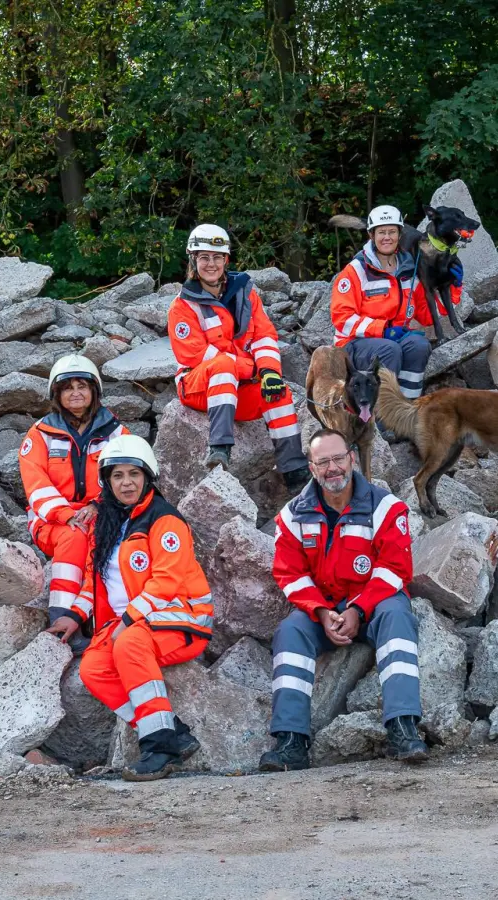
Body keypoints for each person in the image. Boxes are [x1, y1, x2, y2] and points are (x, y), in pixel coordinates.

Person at [260, 428, 427, 770]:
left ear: (352, 458)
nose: (332, 468)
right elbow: (288, 573)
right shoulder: (292, 516)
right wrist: (321, 612)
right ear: (311, 468)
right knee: (290, 631)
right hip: (324, 608)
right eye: (323, 462)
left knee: (398, 617)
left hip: (375, 604)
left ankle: (403, 728)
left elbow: (395, 568)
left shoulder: (385, 507)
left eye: (338, 458)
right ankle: (291, 741)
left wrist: (358, 609)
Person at [74, 434, 214, 782]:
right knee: (92, 669)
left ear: (147, 476)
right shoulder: (108, 521)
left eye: (133, 474)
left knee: (130, 644)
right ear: (107, 482)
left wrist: (127, 621)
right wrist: (78, 616)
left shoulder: (165, 520)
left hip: (183, 618)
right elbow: (97, 581)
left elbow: (166, 582)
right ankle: (171, 732)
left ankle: (158, 749)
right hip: (136, 621)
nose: (126, 483)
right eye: (117, 475)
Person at [167, 223, 305, 489]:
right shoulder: (181, 306)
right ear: (193, 260)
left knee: (279, 393)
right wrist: (251, 368)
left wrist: (269, 373)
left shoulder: (246, 293)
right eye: (204, 257)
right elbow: (197, 355)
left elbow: (264, 336)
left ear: (226, 260)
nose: (211, 264)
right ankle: (220, 447)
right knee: (221, 365)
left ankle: (295, 470)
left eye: (217, 257)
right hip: (198, 387)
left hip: (237, 387)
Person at [25, 355, 129, 644]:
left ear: (95, 391)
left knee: (105, 542)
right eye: (67, 387)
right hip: (51, 520)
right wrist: (65, 514)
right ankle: (62, 619)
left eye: (82, 386)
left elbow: (128, 477)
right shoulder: (40, 434)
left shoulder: (116, 432)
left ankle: (102, 620)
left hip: (100, 512)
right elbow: (35, 483)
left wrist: (99, 505)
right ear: (56, 395)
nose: (76, 393)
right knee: (74, 538)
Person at [330, 205, 462, 404]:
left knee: (419, 345)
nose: (387, 237)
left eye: (392, 231)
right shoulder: (355, 271)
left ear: (400, 234)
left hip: (392, 340)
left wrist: (454, 286)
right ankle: (382, 416)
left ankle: (406, 407)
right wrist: (383, 330)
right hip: (352, 345)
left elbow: (427, 315)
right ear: (371, 235)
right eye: (381, 232)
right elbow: (342, 318)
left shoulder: (408, 269)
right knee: (389, 349)